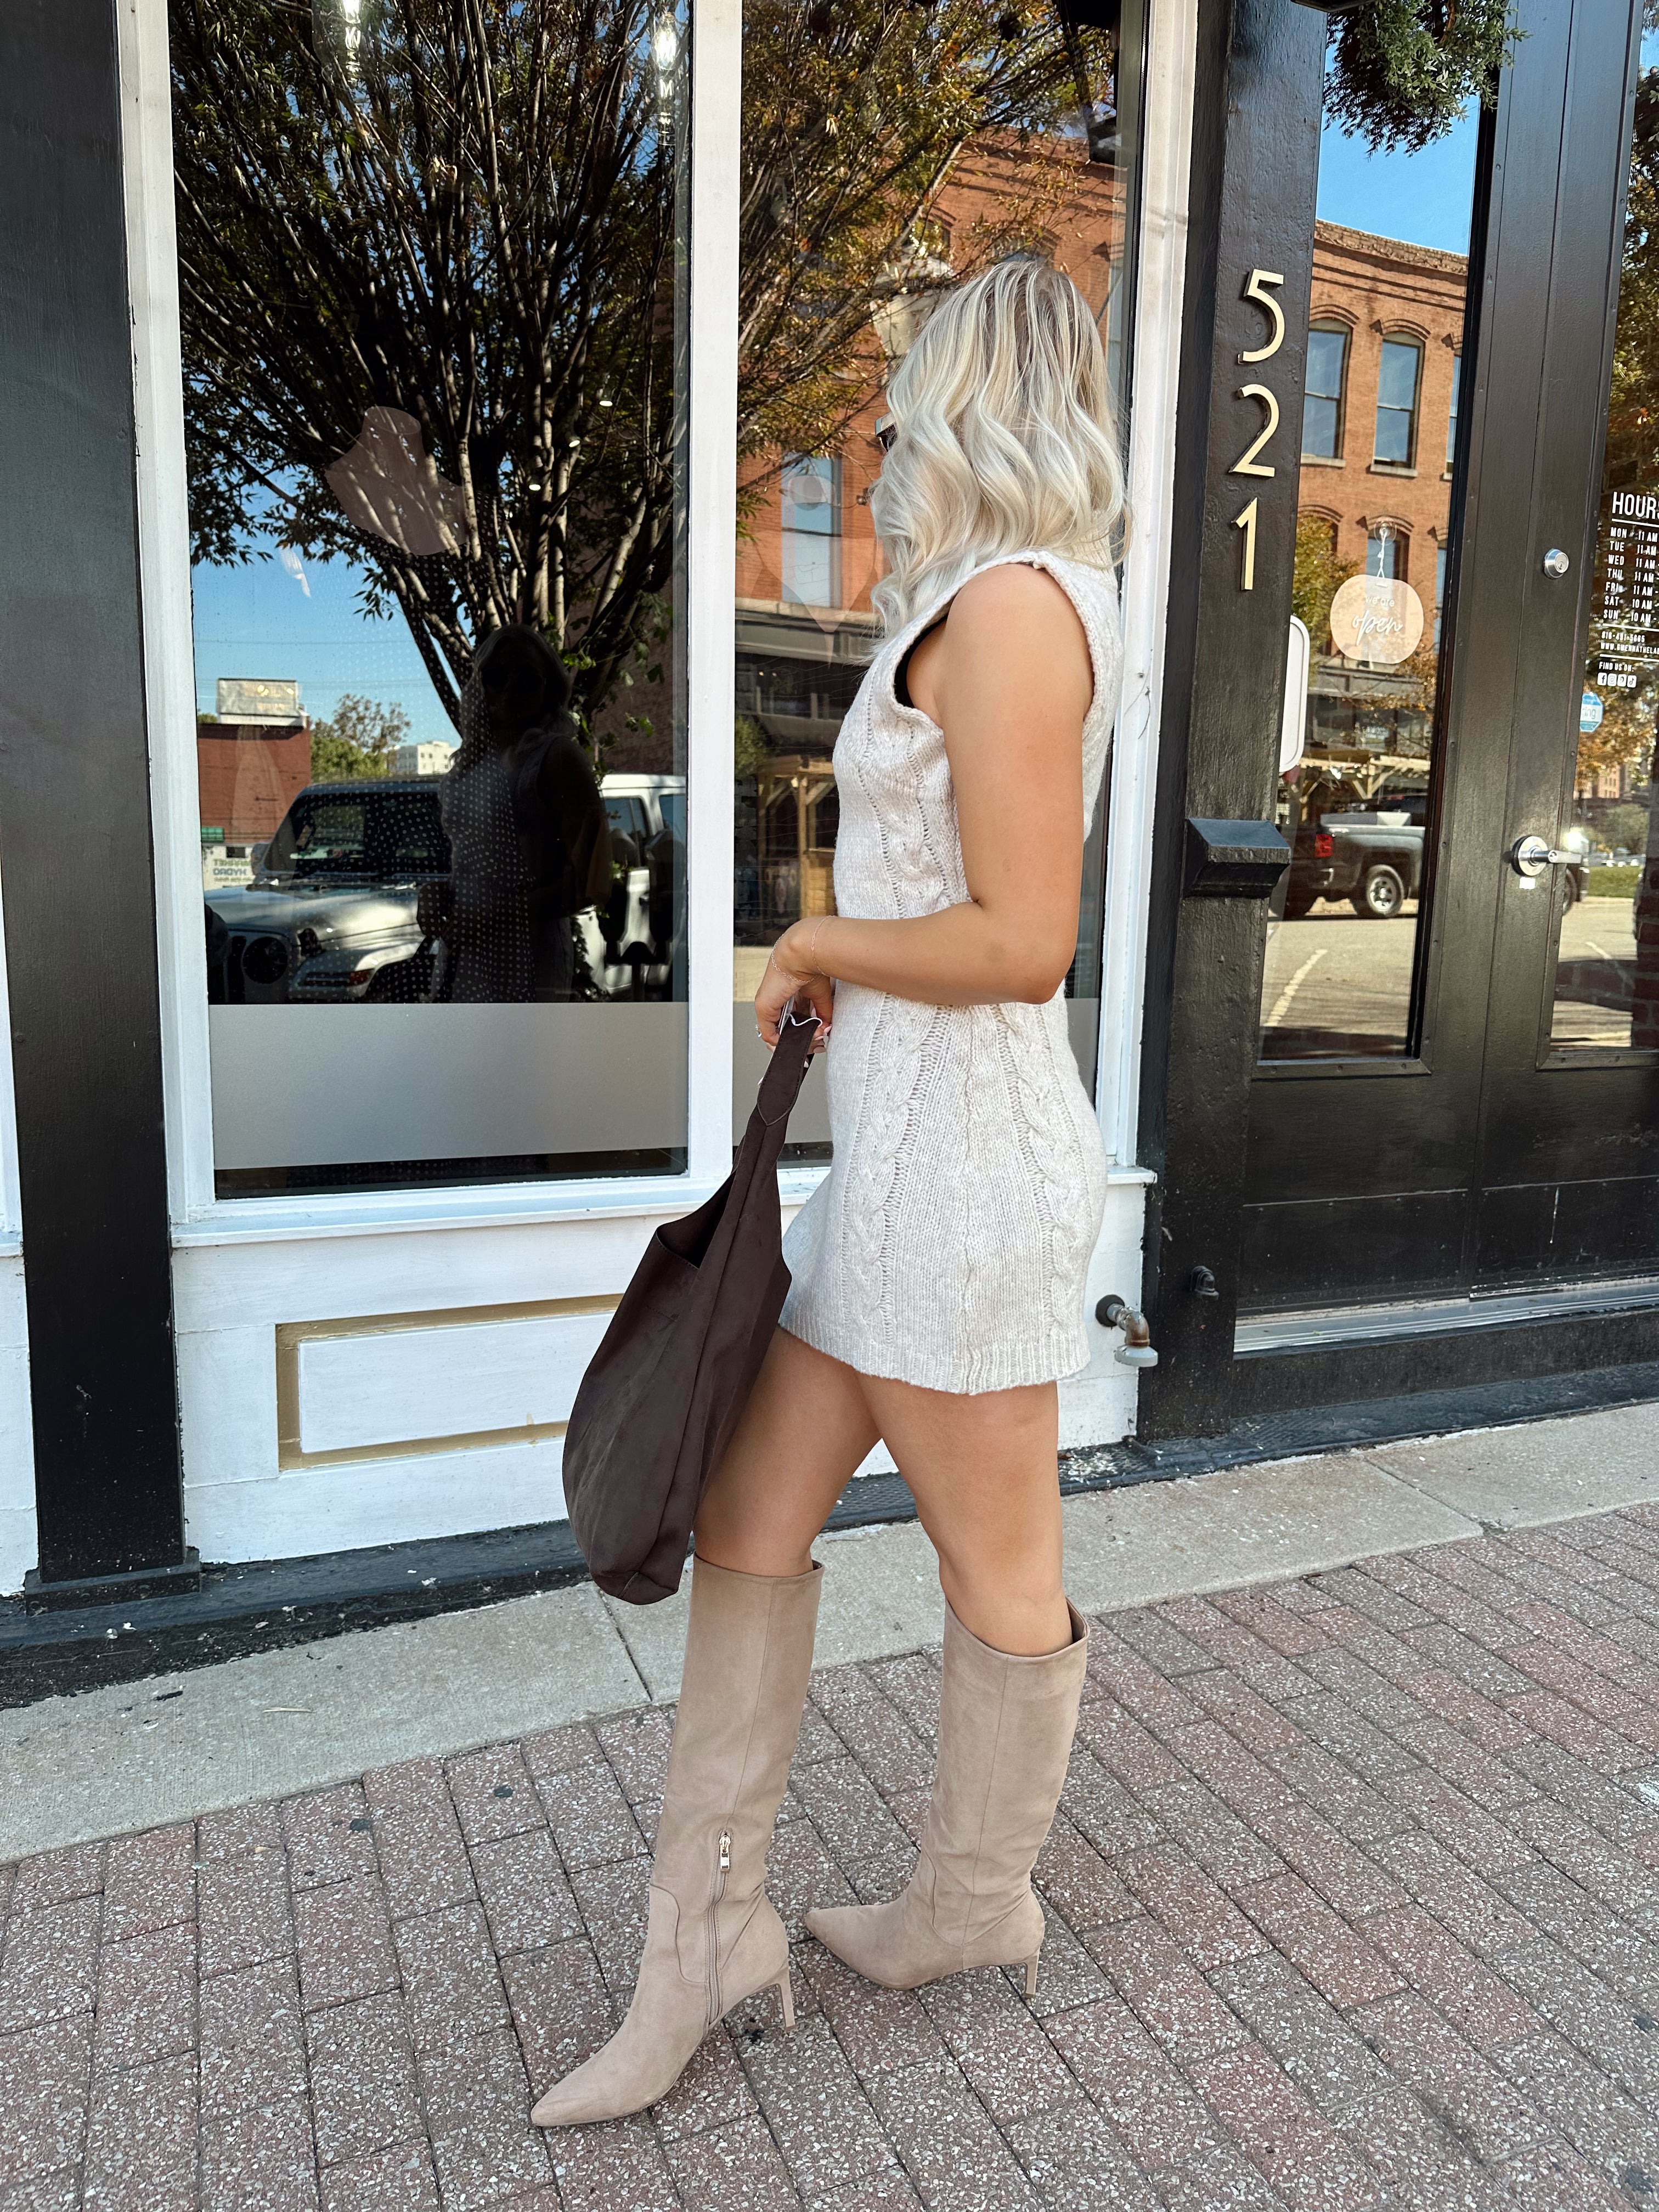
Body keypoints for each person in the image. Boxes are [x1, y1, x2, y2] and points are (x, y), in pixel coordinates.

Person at [531, 256, 1125, 2128]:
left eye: (903, 387)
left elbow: (1028, 940)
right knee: (748, 1521)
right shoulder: (977, 605)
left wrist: (816, 932)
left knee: (999, 1570)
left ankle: (970, 1900)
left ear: (970, 395)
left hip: (964, 1191)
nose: (878, 425)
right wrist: (839, 959)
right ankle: (705, 1941)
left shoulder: (1019, 611)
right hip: (894, 1184)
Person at [432, 626, 611, 1001]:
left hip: (529, 955)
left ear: (549, 689)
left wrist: (490, 918)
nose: (510, 690)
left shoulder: (558, 757)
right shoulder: (472, 763)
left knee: (522, 1058)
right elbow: (478, 864)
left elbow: (591, 880)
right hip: (467, 952)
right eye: (496, 677)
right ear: (479, 685)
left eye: (527, 679)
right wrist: (440, 893)